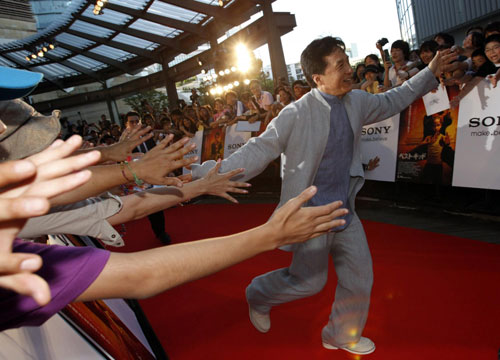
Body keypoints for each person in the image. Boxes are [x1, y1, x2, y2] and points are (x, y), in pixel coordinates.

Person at [190, 36, 455, 355]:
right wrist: (201, 175)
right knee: (308, 282)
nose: (350, 69)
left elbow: (394, 99)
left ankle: (339, 334)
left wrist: (429, 71)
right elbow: (259, 149)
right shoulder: (295, 114)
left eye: (347, 61)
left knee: (360, 278)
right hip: (309, 217)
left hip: (345, 212)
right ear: (318, 78)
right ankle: (258, 294)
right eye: (340, 65)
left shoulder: (358, 101)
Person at [125, 111, 173, 245]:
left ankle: (161, 232)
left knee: (156, 203)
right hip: (136, 178)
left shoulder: (148, 137)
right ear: (126, 124)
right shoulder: (124, 142)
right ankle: (157, 231)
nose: (134, 124)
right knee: (146, 205)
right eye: (131, 122)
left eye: (136, 121)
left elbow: (156, 154)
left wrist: (165, 169)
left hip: (152, 174)